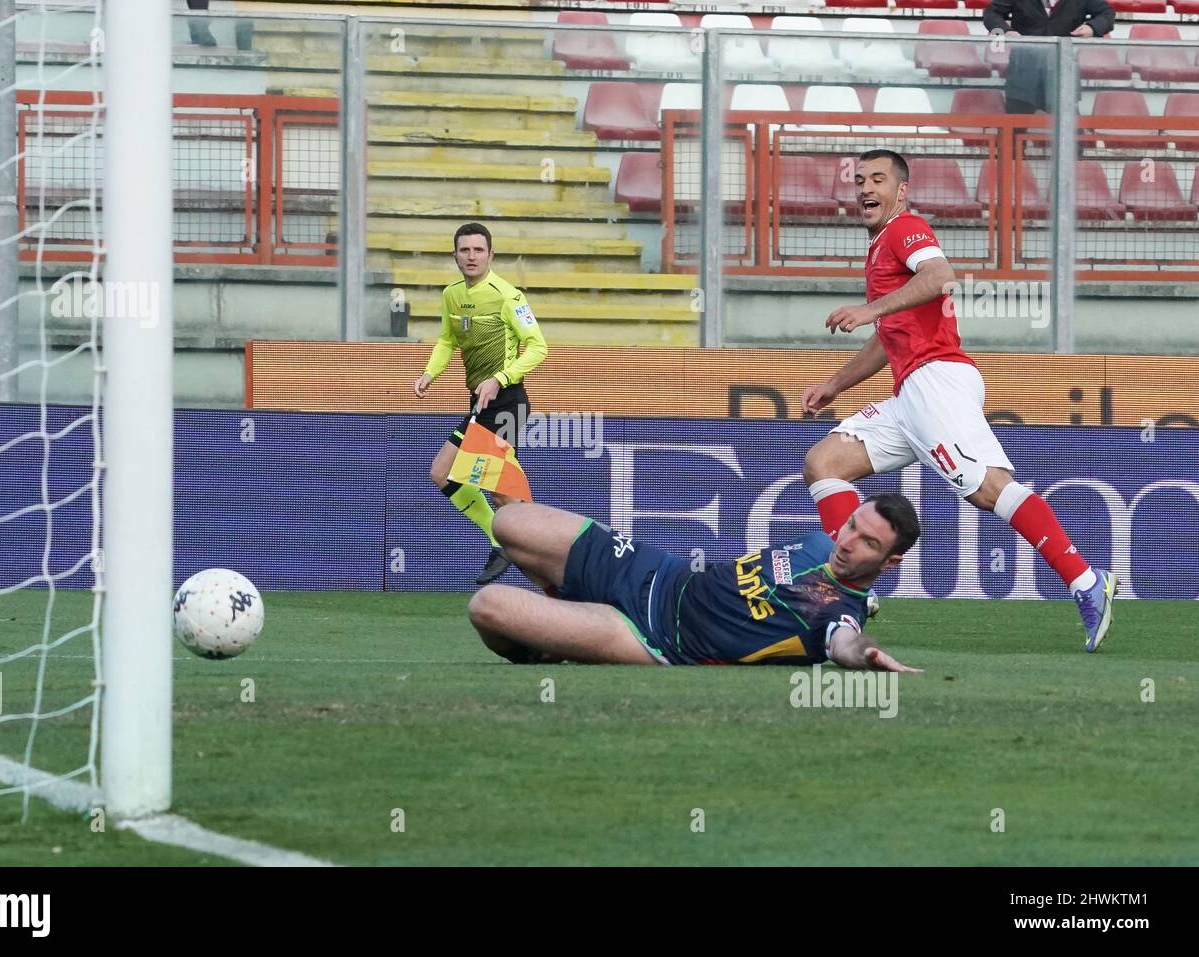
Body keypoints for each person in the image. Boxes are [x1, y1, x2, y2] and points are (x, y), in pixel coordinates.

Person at [800, 149, 1117, 652]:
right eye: (860, 180)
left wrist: (868, 308)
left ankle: (1085, 580)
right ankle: (848, 587)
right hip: (909, 393)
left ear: (901, 190)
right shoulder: (881, 245)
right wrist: (836, 384)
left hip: (936, 382)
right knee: (824, 464)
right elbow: (890, 334)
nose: (866, 189)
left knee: (990, 490)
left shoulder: (905, 229)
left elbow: (941, 277)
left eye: (878, 180)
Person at [468, 495, 923, 671]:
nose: (848, 542)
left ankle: (547, 648)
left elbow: (843, 641)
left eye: (868, 543)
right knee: (509, 521)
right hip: (656, 571)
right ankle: (560, 602)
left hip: (652, 637)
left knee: (487, 607)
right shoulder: (818, 544)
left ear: (890, 561)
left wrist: (866, 654)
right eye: (851, 527)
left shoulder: (835, 612)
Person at [414, 223, 549, 585]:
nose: (471, 256)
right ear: (455, 255)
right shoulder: (452, 296)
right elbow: (447, 340)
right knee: (442, 473)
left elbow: (538, 347)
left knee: (506, 497)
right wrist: (430, 372)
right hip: (481, 406)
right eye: (464, 250)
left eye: (478, 250)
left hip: (507, 404)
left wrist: (499, 378)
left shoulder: (510, 296)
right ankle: (510, 544)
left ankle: (548, 566)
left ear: (491, 255)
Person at [983, 0, 1115, 114]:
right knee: (1013, 132)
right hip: (1023, 74)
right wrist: (1004, 32)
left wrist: (1092, 28)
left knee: (1072, 136)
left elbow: (1107, 14)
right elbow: (990, 14)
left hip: (1063, 74)